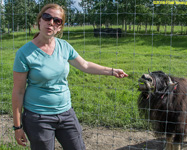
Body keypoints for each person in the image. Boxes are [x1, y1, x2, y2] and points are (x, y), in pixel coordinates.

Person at [12, 3, 128, 150]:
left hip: (66, 113)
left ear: (60, 27)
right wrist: (17, 127)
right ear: (39, 20)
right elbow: (18, 91)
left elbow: (85, 65)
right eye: (47, 17)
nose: (51, 23)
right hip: (38, 117)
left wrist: (112, 71)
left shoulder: (64, 47)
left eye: (57, 21)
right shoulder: (24, 53)